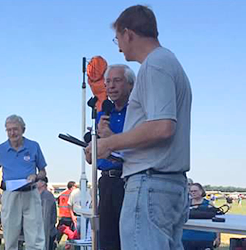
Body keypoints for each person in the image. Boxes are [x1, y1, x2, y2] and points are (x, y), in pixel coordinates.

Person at [85, 5, 192, 250]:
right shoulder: (167, 62)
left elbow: (163, 127)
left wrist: (108, 143)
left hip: (150, 184)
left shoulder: (154, 65)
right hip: (167, 184)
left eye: (118, 38)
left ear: (129, 34)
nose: (119, 46)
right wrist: (113, 142)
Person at [0, 114, 47, 250]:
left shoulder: (33, 146)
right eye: (8, 130)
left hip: (31, 193)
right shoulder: (0, 149)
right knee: (10, 234)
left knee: (35, 234)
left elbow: (43, 171)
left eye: (15, 129)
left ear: (23, 130)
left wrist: (36, 176)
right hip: (10, 194)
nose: (12, 133)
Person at [96, 64, 135, 250]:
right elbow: (95, 157)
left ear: (131, 85)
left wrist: (110, 135)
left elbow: (137, 149)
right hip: (106, 182)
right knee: (107, 238)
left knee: (127, 237)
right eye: (108, 82)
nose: (111, 86)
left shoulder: (137, 113)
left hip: (128, 181)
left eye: (117, 80)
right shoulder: (103, 115)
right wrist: (91, 150)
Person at [182, 183, 220, 250]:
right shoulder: (185, 204)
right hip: (187, 238)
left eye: (195, 191)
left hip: (206, 238)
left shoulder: (209, 204)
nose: (193, 193)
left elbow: (216, 221)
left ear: (201, 191)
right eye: (191, 191)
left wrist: (218, 237)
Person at [37, 176, 57, 250]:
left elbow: (45, 217)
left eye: (37, 180)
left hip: (47, 232)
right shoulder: (40, 195)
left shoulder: (46, 196)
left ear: (42, 183)